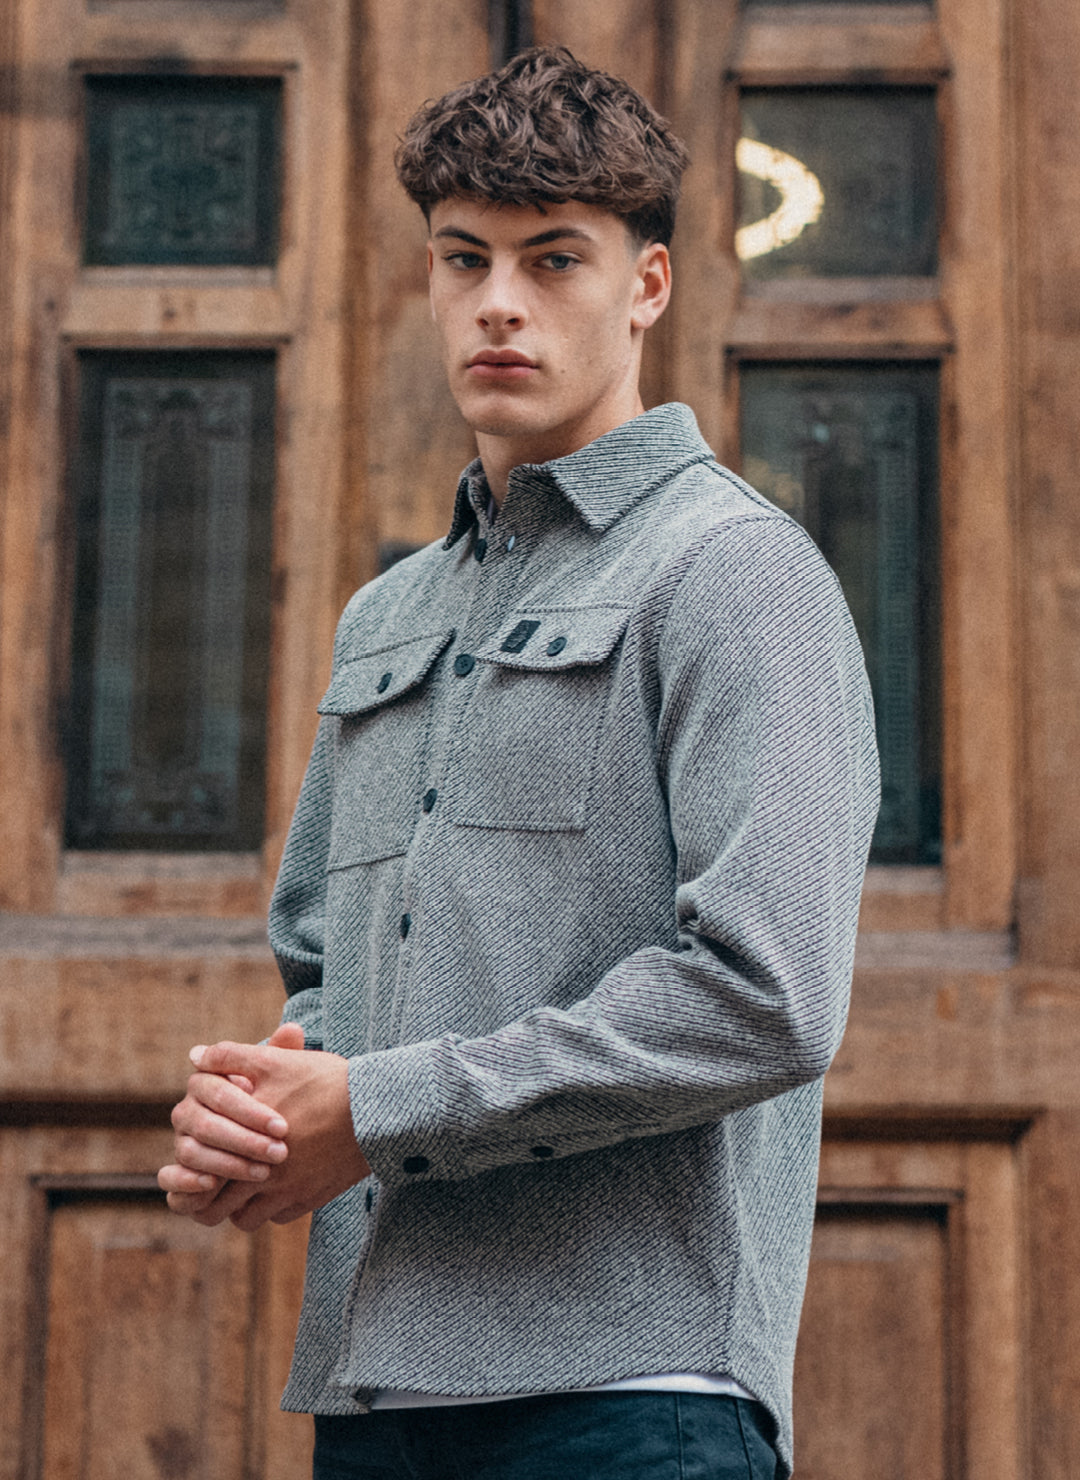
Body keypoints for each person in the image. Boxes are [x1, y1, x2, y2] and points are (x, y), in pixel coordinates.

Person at [160, 46, 879, 1480]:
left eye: (554, 260)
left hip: (634, 1393)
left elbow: (766, 997)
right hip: (376, 1393)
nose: (500, 301)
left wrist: (375, 1111)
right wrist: (268, 1113)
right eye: (464, 258)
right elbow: (325, 973)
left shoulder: (736, 575)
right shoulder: (388, 616)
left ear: (648, 285)